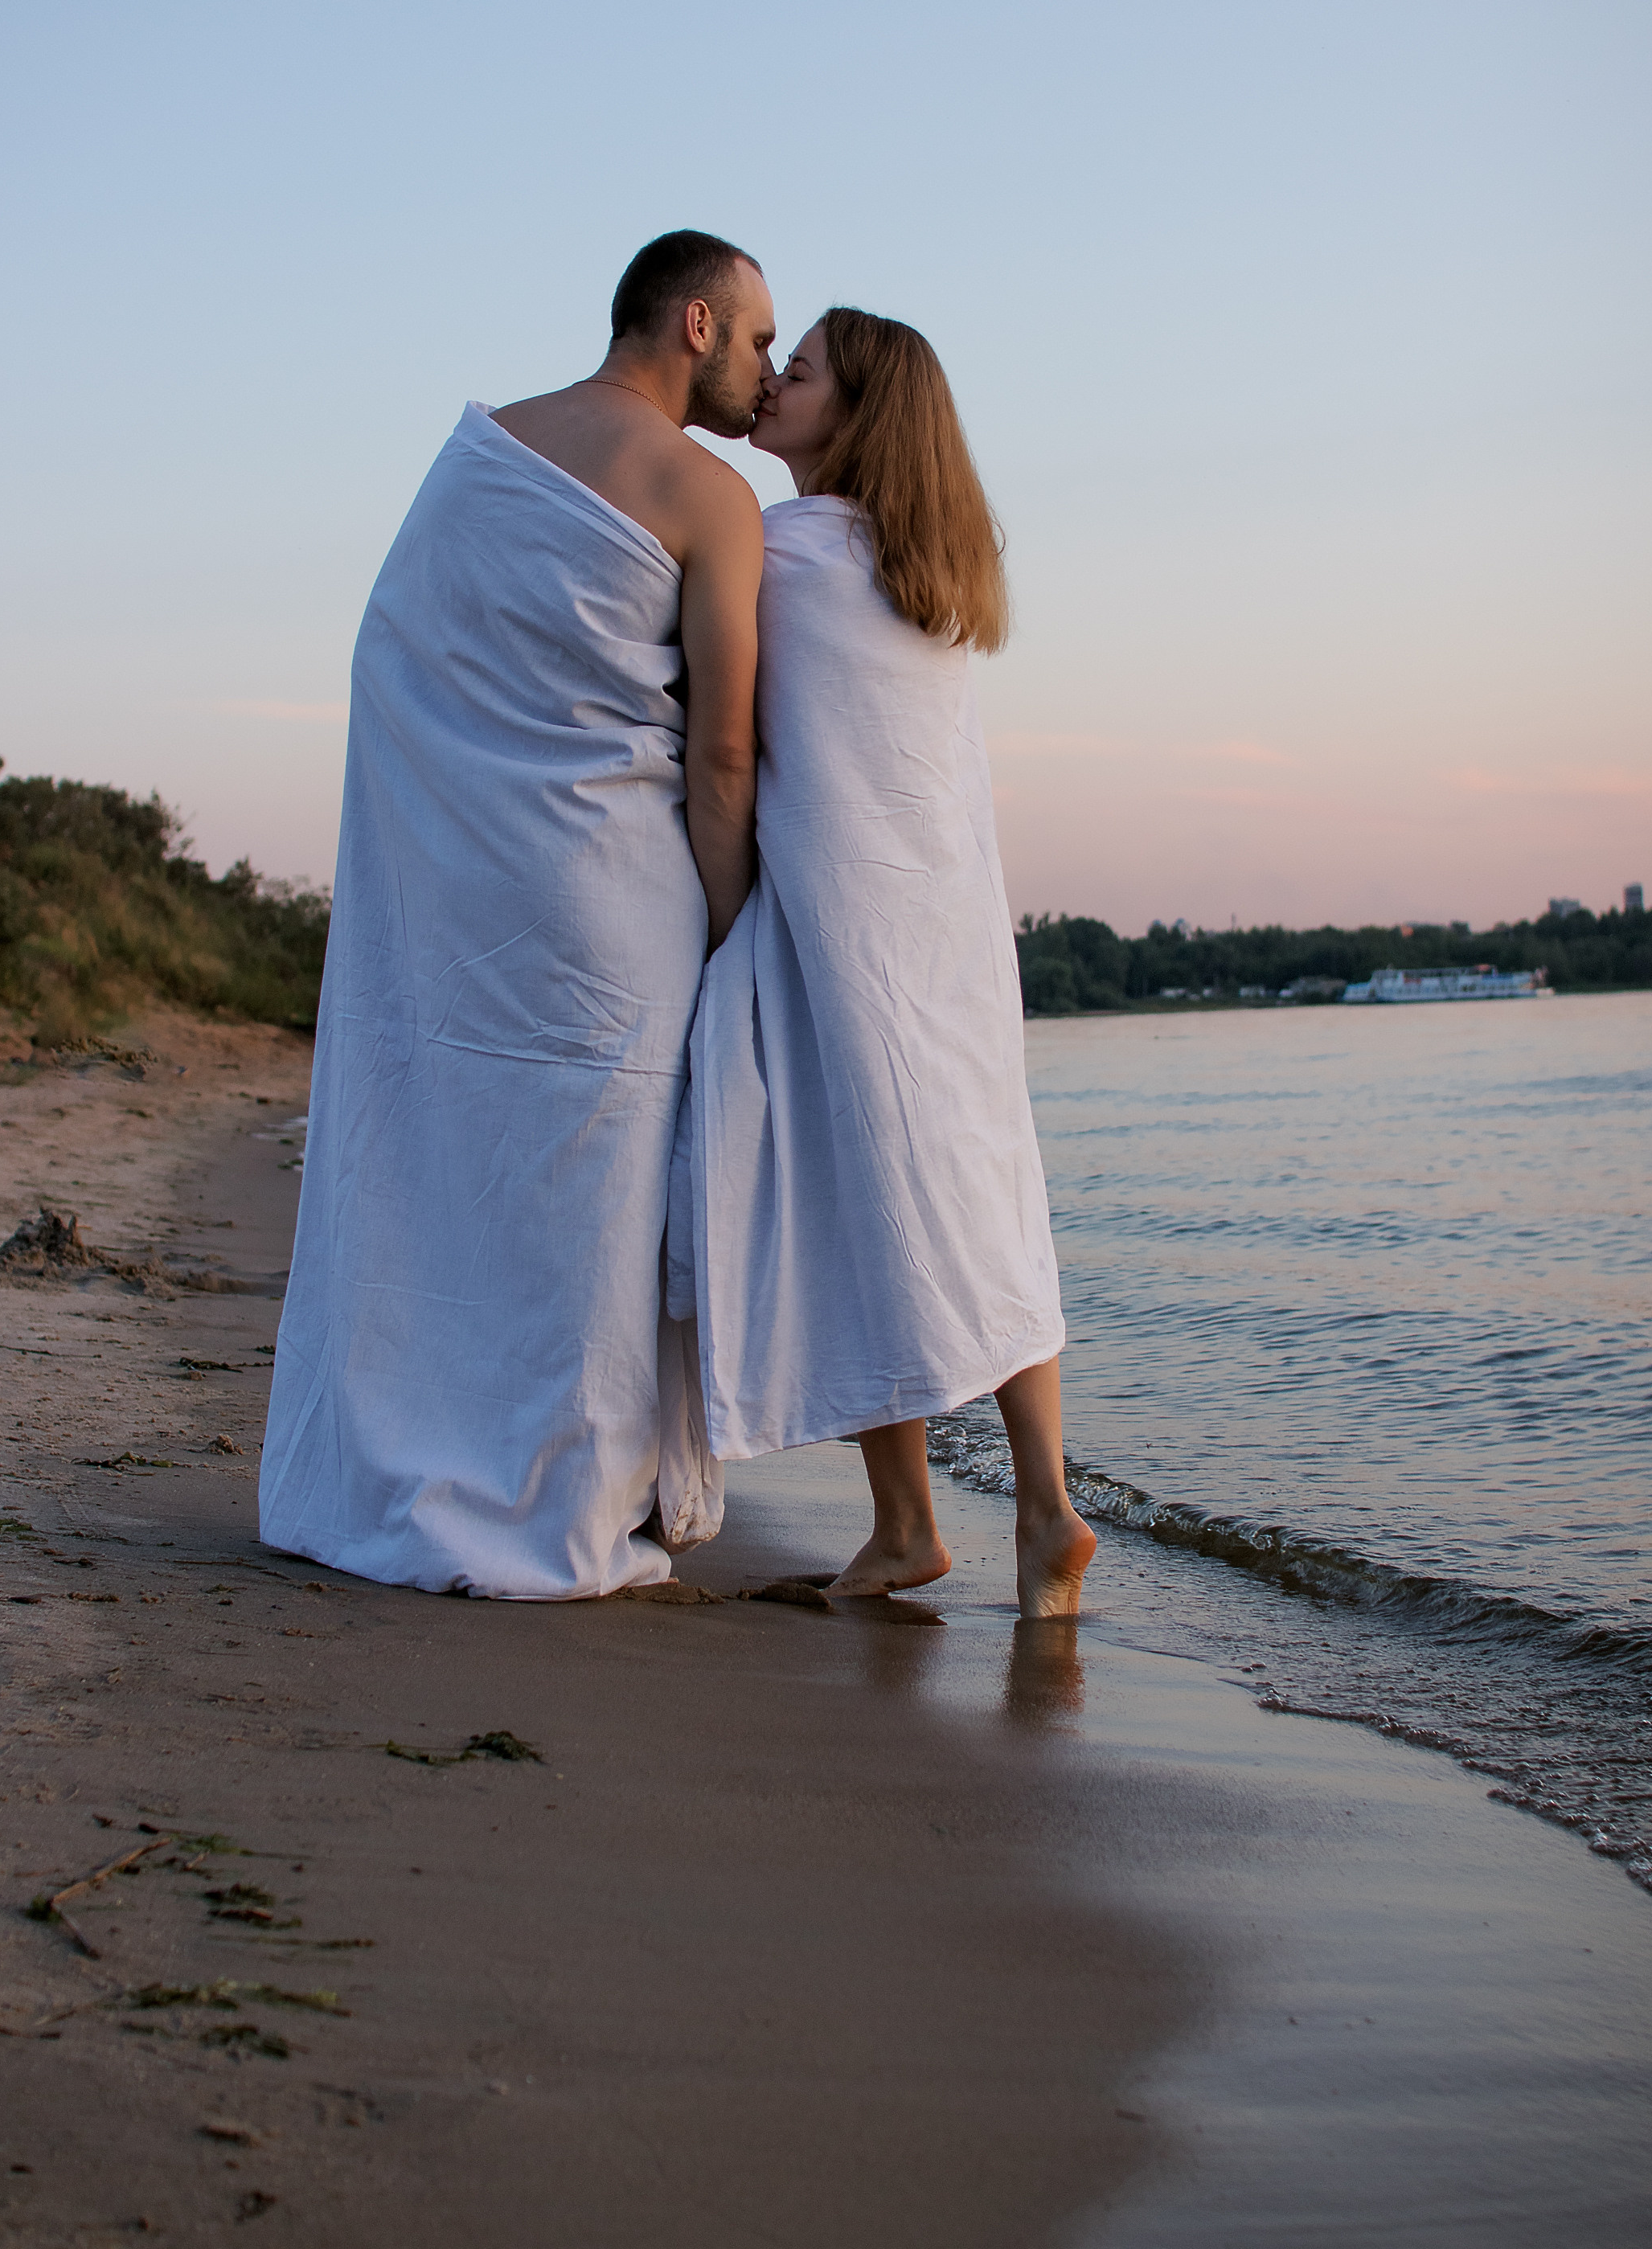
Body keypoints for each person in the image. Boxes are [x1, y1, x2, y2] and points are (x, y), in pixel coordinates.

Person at [260, 231, 773, 1596]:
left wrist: (439, 855)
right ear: (697, 323)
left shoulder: (478, 455)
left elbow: (390, 660)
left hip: (462, 894)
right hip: (616, 903)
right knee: (590, 1211)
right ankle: (568, 1496)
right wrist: (738, 930)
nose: (769, 370)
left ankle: (407, 1460)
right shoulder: (708, 495)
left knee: (446, 1174)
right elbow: (724, 754)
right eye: (760, 339)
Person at [670, 308, 1097, 1616]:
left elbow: (717, 735)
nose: (770, 384)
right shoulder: (932, 575)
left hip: (841, 935)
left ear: (854, 415)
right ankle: (1038, 1504)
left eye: (796, 373)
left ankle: (911, 1521)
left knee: (850, 1199)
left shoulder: (781, 553)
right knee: (985, 1200)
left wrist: (722, 916)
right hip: (953, 943)